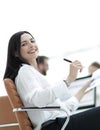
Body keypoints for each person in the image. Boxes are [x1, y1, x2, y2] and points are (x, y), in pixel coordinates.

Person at [3, 31, 100, 130]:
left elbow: (62, 108)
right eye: (24, 44)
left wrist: (83, 90)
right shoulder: (24, 71)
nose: (31, 45)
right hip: (53, 126)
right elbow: (38, 100)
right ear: (15, 52)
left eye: (32, 41)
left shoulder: (31, 72)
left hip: (58, 123)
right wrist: (68, 80)